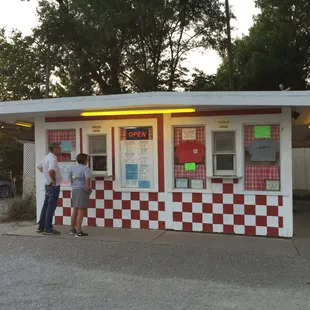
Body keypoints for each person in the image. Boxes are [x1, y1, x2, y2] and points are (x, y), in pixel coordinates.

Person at [37, 142, 62, 235]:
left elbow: (39, 166)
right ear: (54, 148)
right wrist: (53, 179)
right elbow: (51, 170)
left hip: (47, 185)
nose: (60, 149)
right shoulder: (53, 158)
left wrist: (46, 176)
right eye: (58, 147)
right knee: (51, 207)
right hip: (53, 186)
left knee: (46, 205)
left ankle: (41, 226)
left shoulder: (46, 157)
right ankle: (48, 228)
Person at [68, 153, 92, 237]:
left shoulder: (72, 168)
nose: (88, 161)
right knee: (81, 211)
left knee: (75, 209)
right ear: (85, 160)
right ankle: (78, 230)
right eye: (87, 159)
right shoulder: (86, 168)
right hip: (82, 190)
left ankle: (72, 229)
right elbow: (87, 178)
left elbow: (70, 179)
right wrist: (87, 187)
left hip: (74, 189)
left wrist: (74, 185)